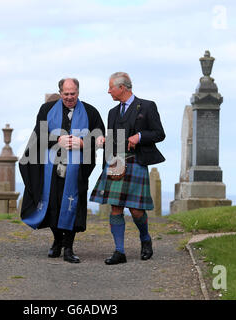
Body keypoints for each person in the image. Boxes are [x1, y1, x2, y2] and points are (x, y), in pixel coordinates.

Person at [19, 78, 105, 263]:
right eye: (65, 94)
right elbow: (38, 136)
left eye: (72, 93)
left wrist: (83, 143)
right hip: (51, 170)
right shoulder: (46, 110)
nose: (69, 97)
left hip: (77, 171)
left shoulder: (91, 112)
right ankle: (57, 241)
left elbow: (100, 138)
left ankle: (69, 248)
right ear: (60, 93)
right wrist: (57, 140)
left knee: (72, 205)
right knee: (53, 206)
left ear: (78, 92)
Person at [90, 72, 165, 265]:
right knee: (115, 207)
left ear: (122, 88)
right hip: (116, 162)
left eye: (111, 88)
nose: (108, 91)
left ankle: (145, 239)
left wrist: (139, 137)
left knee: (136, 210)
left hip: (136, 161)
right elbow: (113, 139)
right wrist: (104, 141)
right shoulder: (112, 112)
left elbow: (159, 133)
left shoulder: (147, 106)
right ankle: (119, 251)